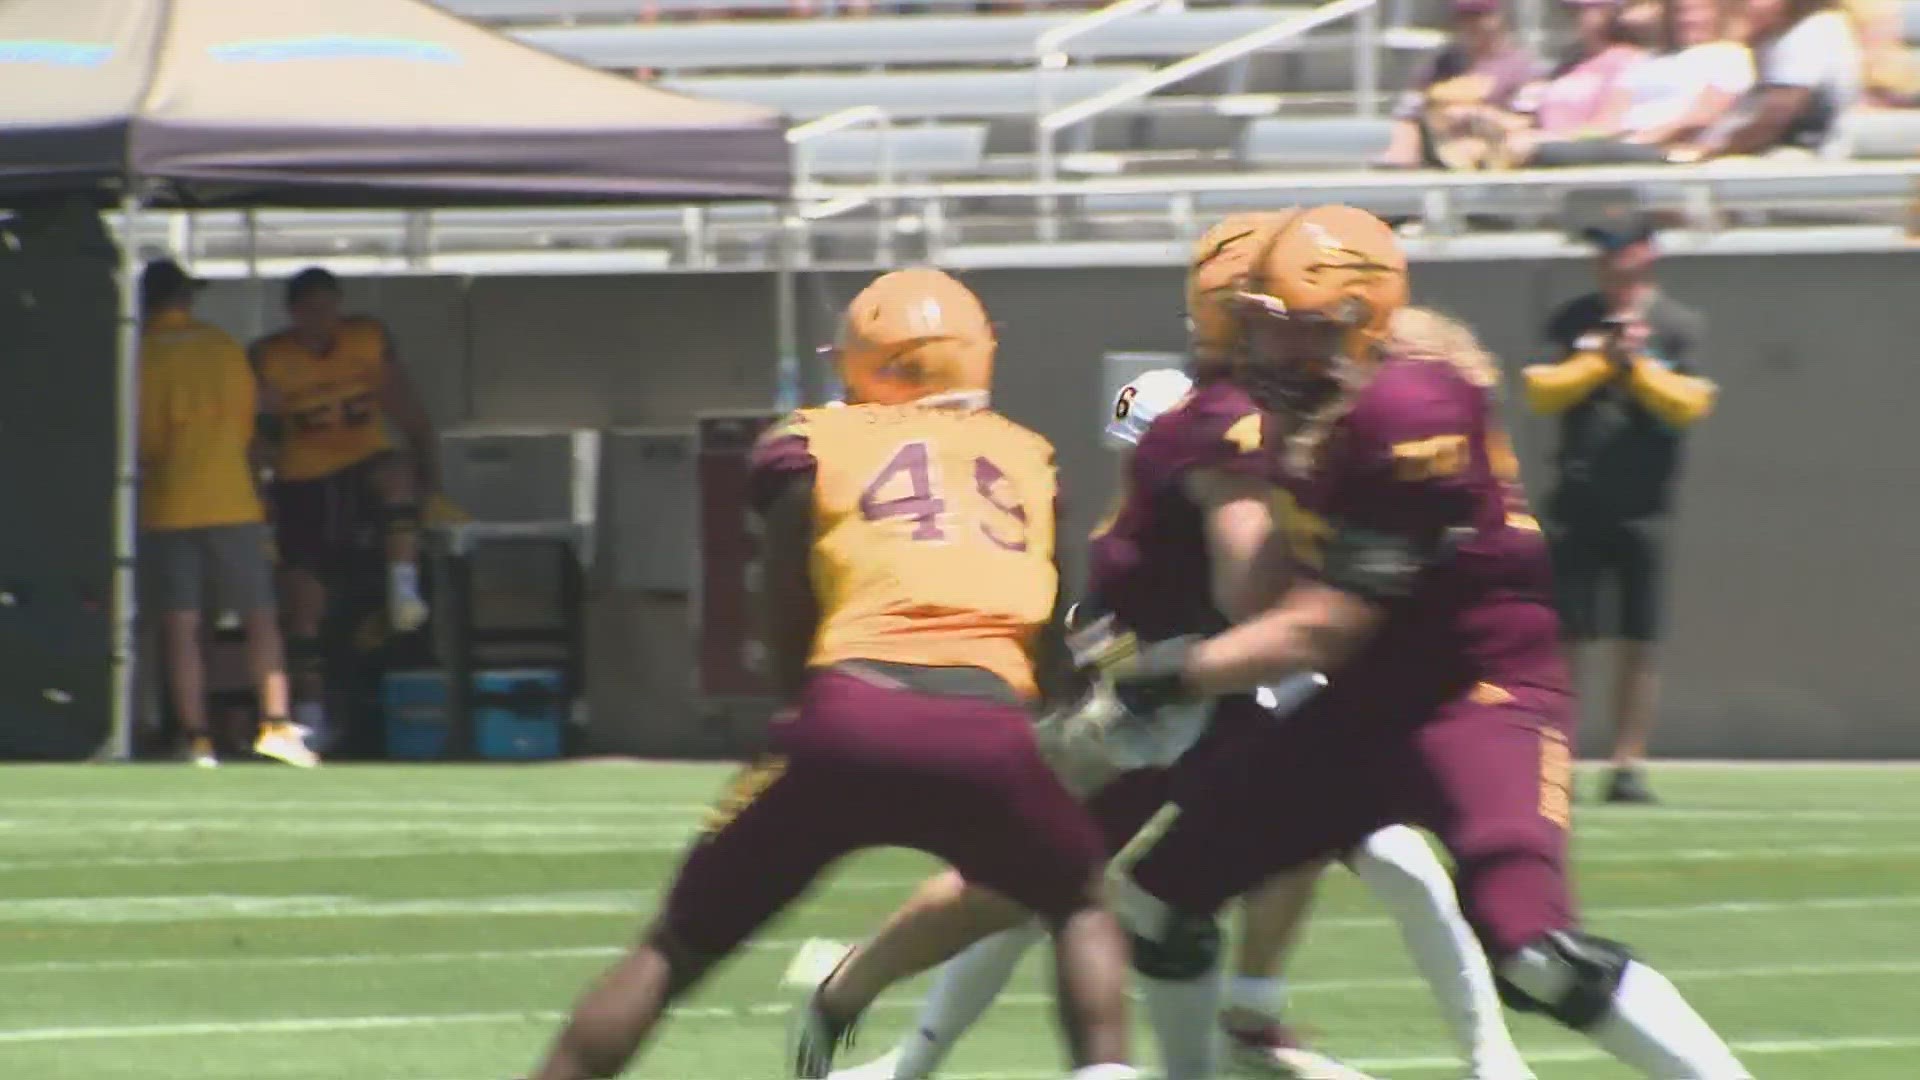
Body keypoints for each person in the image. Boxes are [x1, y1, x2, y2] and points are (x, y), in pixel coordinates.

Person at [802, 214, 1530, 1080]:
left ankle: (1299, 1022)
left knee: (1367, 837)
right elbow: (1210, 559)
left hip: (1219, 663)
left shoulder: (1298, 403)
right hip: (1155, 663)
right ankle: (895, 1030)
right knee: (1029, 881)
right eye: (1270, 310)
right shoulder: (1172, 402)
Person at [1075, 204, 1752, 1079]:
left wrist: (1173, 674)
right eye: (1264, 327)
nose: (1270, 353)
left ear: (1362, 319)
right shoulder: (1291, 401)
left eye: (1299, 332)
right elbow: (1276, 574)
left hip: (1479, 694)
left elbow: (1325, 621)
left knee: (1534, 949)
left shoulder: (1410, 406)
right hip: (1366, 699)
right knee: (1161, 903)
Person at [521, 268, 1138, 1080]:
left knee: (674, 947)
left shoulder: (814, 438)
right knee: (1081, 904)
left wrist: (805, 709)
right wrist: (1071, 692)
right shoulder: (1027, 455)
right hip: (988, 729)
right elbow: (1043, 622)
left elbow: (781, 601)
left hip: (849, 711)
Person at [1523, 221, 1715, 804]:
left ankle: (1628, 763)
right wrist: (1600, 362)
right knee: (1567, 639)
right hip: (1577, 502)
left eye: (1620, 249)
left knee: (1639, 641)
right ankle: (1558, 760)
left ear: (1646, 254)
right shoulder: (1573, 319)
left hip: (1645, 507)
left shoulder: (1678, 324)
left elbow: (1690, 403)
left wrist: (1637, 367)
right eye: (1601, 251)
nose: (1609, 261)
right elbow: (1542, 389)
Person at [135, 259, 313, 769]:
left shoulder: (140, 353)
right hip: (231, 496)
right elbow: (246, 424)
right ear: (187, 299)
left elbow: (142, 438)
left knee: (182, 625)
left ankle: (195, 738)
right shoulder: (222, 345)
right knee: (261, 618)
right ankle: (276, 724)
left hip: (167, 501)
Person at [250, 267, 438, 750]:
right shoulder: (273, 357)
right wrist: (259, 490)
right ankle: (311, 718)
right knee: (304, 602)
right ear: (293, 313)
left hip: (361, 466)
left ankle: (404, 586)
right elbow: (262, 433)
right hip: (303, 483)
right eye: (311, 310)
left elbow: (405, 404)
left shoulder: (366, 338)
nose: (322, 320)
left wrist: (428, 458)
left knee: (397, 474)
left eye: (329, 308)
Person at [1679, 0, 1862, 159]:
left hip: (1804, 156)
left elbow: (1772, 121)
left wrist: (1709, 152)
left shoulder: (1813, 31)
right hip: (1766, 153)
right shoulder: (1772, 38)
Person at [1377, 0, 1544, 170]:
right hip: (1443, 151)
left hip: (1497, 154)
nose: (1473, 25)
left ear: (1499, 18)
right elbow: (1409, 109)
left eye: (1480, 16)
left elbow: (1524, 123)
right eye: (1465, 18)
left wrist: (1477, 113)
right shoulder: (1442, 63)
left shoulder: (1521, 68)